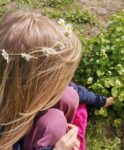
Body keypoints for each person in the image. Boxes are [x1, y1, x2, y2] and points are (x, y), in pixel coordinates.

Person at [0, 10, 82, 150]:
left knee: (69, 95)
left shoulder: (21, 89)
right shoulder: (4, 134)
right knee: (54, 122)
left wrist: (101, 101)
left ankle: (61, 133)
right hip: (19, 135)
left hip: (26, 114)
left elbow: (74, 90)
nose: (61, 86)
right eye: (56, 82)